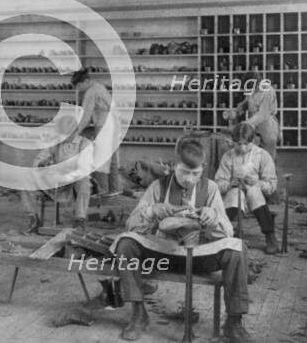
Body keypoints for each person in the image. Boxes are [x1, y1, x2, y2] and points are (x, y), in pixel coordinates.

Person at [112, 137, 251, 342]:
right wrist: (152, 211)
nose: (188, 178)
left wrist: (213, 218)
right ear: (173, 165)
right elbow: (131, 224)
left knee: (237, 249)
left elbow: (227, 231)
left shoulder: (210, 188)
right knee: (126, 244)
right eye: (184, 172)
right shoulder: (158, 187)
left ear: (203, 168)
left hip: (198, 258)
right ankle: (139, 314)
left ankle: (234, 322)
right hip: (162, 256)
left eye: (195, 174)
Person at [20, 115, 93, 233]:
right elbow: (39, 159)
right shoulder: (56, 142)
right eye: (62, 133)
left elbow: (83, 170)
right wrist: (42, 164)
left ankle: (80, 220)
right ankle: (33, 219)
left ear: (75, 131)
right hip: (54, 181)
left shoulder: (85, 144)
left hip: (73, 183)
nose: (63, 137)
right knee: (26, 177)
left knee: (84, 182)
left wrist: (64, 177)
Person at [216, 122, 279, 254]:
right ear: (233, 142)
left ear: (253, 141)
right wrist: (229, 184)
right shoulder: (228, 156)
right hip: (235, 190)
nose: (242, 147)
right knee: (235, 195)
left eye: (246, 143)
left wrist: (258, 183)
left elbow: (272, 185)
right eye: (239, 143)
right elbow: (219, 183)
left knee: (253, 193)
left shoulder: (262, 155)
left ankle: (270, 235)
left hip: (257, 192)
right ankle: (222, 233)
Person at [71, 68, 121, 197]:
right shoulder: (100, 87)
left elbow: (86, 116)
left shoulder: (91, 92)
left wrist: (76, 132)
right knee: (112, 158)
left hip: (105, 125)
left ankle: (103, 190)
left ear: (86, 81)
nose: (78, 88)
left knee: (101, 157)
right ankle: (114, 189)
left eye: (78, 85)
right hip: (114, 123)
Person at [236, 71, 280, 160]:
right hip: (253, 124)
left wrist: (246, 123)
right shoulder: (251, 88)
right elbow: (248, 100)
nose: (251, 90)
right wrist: (242, 105)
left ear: (259, 83)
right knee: (254, 156)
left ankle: (270, 173)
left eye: (253, 88)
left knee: (268, 157)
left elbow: (263, 114)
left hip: (267, 125)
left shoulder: (269, 91)